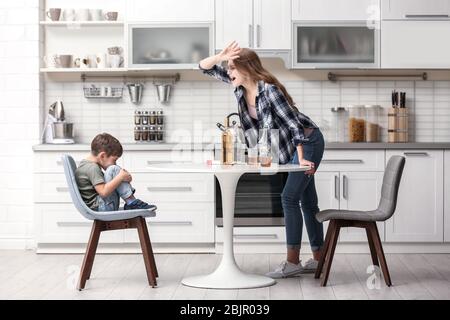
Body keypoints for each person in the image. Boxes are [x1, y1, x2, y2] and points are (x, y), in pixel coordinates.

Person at [199, 41, 325, 278]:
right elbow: (203, 67)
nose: (229, 72)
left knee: (289, 197)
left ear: (246, 69)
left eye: (232, 68)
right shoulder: (238, 87)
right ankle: (319, 259)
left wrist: (301, 159)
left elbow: (293, 125)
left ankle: (292, 261)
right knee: (307, 202)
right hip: (289, 146)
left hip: (307, 142)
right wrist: (221, 56)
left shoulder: (269, 90)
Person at [75, 133, 155, 212]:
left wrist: (121, 177)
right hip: (102, 207)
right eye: (114, 160)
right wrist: (120, 177)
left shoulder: (85, 164)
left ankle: (131, 201)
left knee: (114, 170)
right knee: (113, 169)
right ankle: (131, 202)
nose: (115, 163)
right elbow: (103, 192)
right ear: (102, 156)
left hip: (99, 206)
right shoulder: (92, 168)